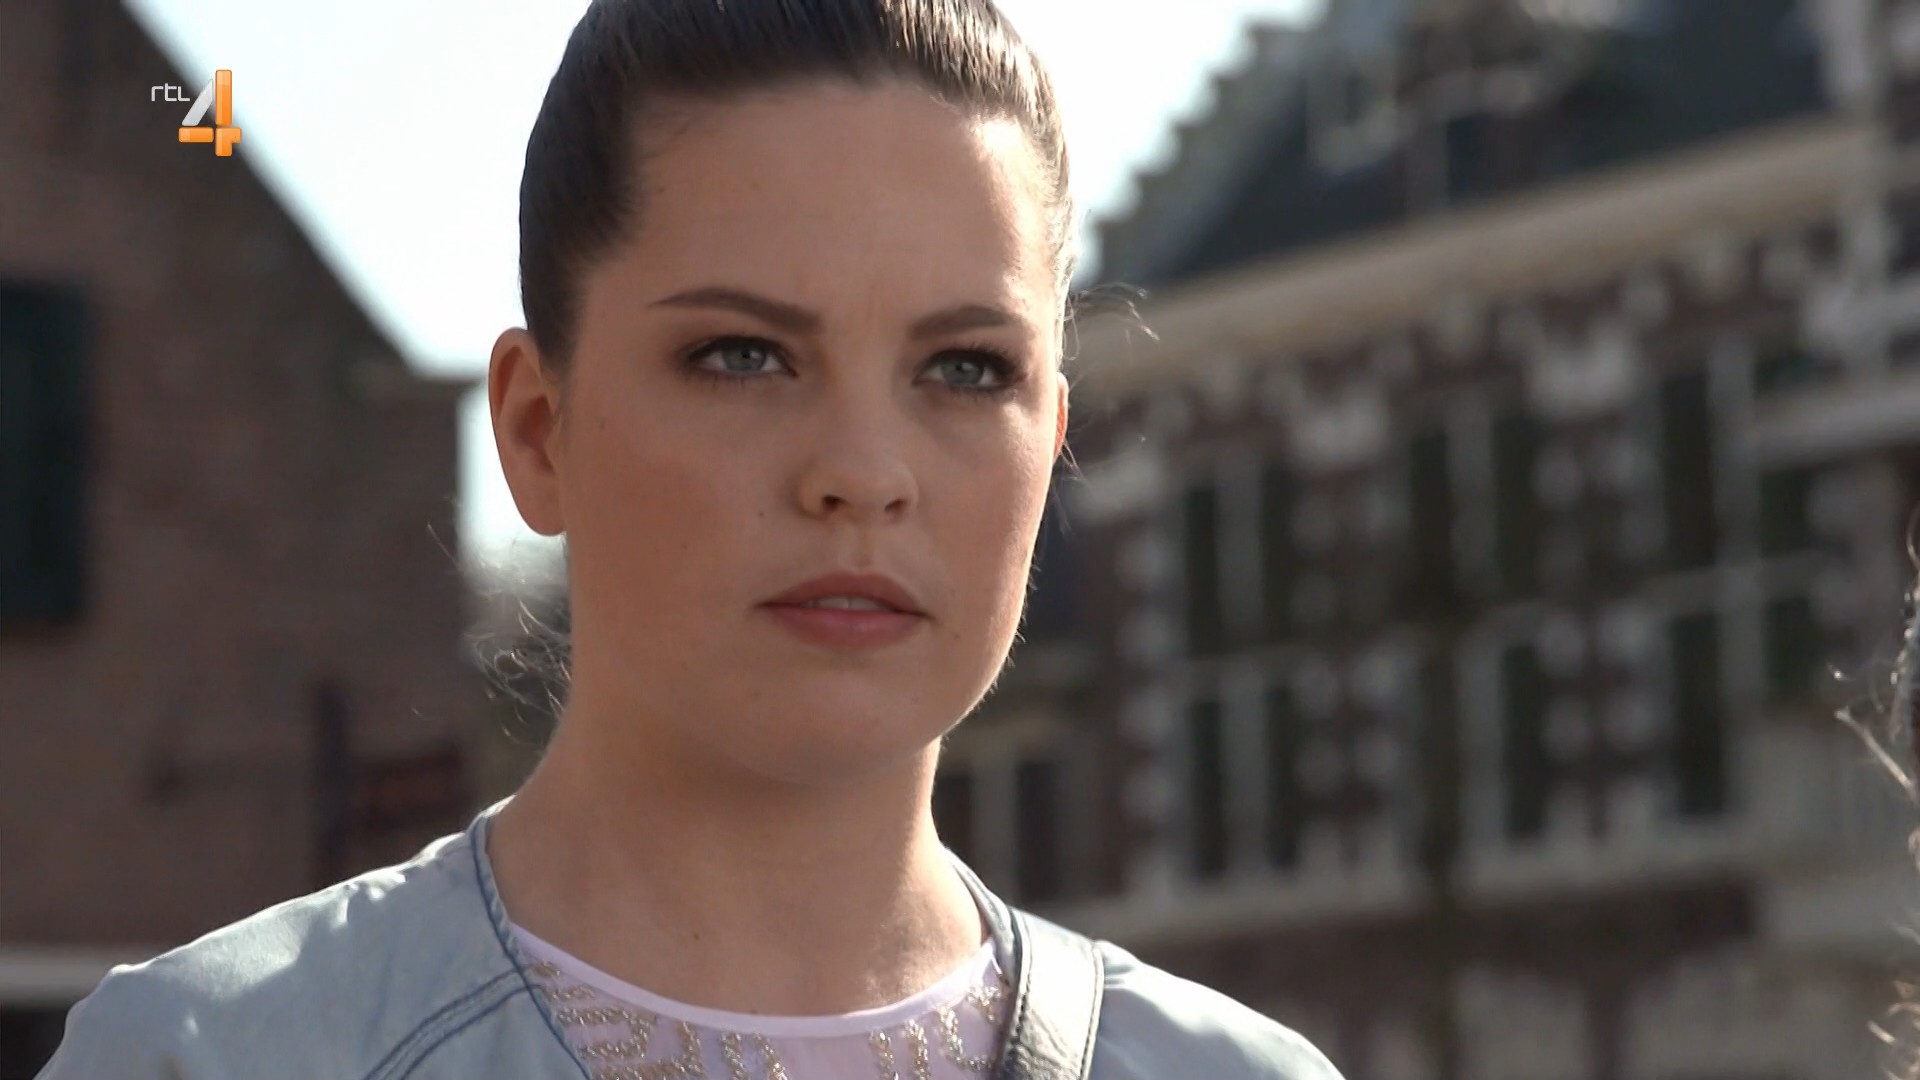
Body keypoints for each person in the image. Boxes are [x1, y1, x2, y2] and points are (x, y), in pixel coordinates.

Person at [37, 1, 1347, 1077]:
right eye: (743, 355)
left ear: (1052, 434)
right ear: (538, 428)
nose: (862, 472)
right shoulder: (215, 1058)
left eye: (964, 369)